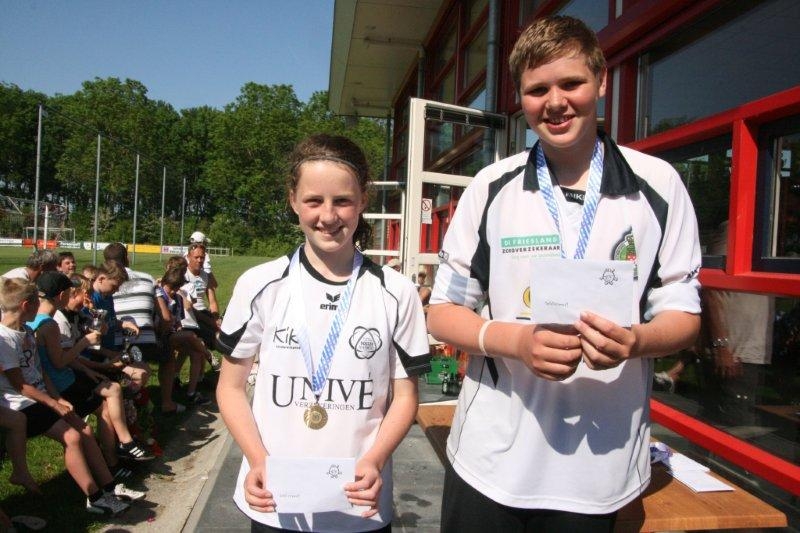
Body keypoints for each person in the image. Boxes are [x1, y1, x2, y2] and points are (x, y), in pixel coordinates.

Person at [426, 16, 702, 532]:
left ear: (601, 81)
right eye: (537, 90)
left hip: (598, 472)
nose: (555, 102)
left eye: (571, 83)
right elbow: (441, 313)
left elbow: (684, 316)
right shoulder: (491, 186)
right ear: (520, 98)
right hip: (490, 463)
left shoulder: (659, 185)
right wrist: (515, 341)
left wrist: (636, 341)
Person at [217, 134, 431, 532]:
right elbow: (230, 388)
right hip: (276, 502)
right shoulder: (260, 284)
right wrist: (257, 459)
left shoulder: (396, 292)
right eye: (314, 200)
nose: (328, 216)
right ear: (293, 200)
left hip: (359, 507)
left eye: (343, 201)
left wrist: (375, 459)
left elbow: (405, 397)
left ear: (363, 200)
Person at [0, 277, 133, 515]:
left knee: (86, 431)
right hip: (21, 404)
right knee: (72, 436)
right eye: (37, 302)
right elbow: (20, 386)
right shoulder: (5, 340)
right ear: (26, 305)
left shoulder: (26, 331)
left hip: (42, 396)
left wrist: (57, 398)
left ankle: (110, 488)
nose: (40, 307)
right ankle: (94, 498)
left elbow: (39, 372)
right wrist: (53, 402)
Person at [30, 271, 155, 468]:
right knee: (112, 392)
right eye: (72, 293)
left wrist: (90, 370)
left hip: (56, 380)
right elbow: (60, 361)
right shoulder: (50, 324)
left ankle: (115, 459)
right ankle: (123, 447)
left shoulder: (38, 319)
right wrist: (85, 343)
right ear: (62, 295)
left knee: (108, 404)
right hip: (61, 383)